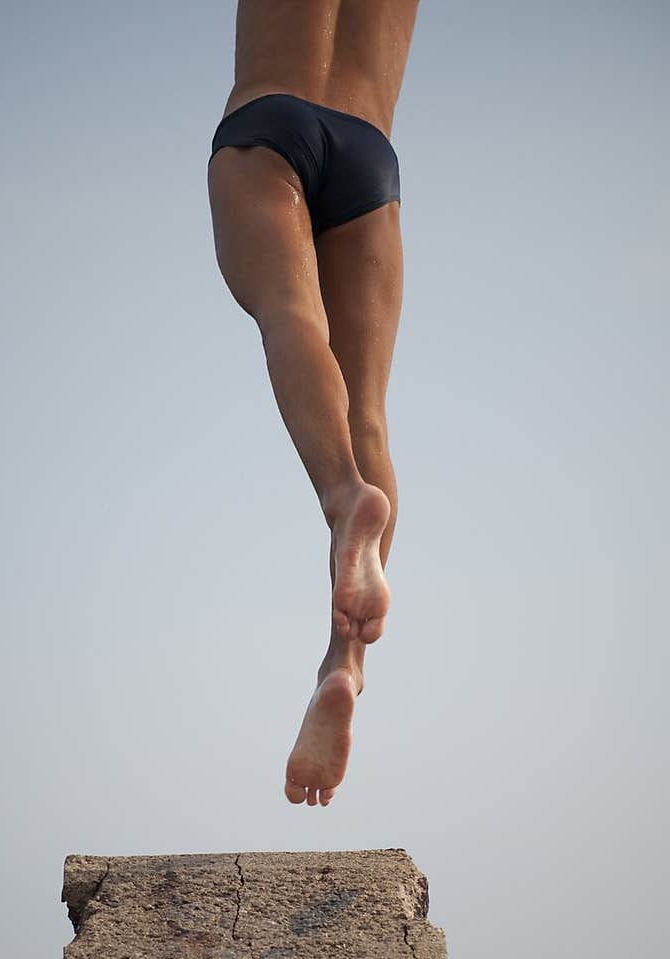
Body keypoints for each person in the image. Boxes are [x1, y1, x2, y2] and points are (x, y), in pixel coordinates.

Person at [207, 0, 419, 807]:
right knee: (367, 409)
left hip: (270, 121)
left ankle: (341, 499)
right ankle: (346, 667)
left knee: (291, 319)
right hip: (371, 154)